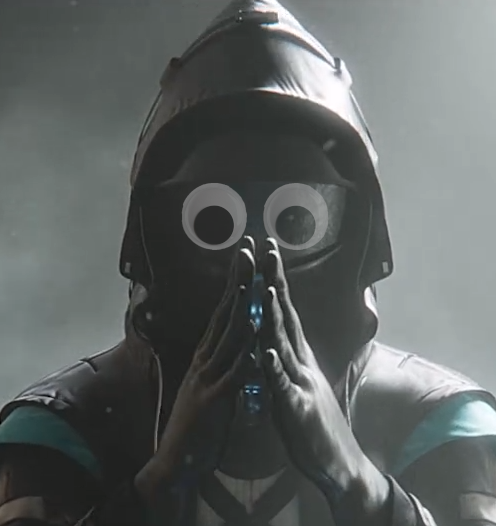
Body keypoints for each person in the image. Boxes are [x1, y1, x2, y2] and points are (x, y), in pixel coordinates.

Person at [1, 1, 496, 526]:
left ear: (355, 232)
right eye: (214, 222)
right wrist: (158, 486)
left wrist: (356, 481)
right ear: (155, 234)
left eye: (297, 223)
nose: (258, 263)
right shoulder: (58, 431)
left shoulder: (442, 425)